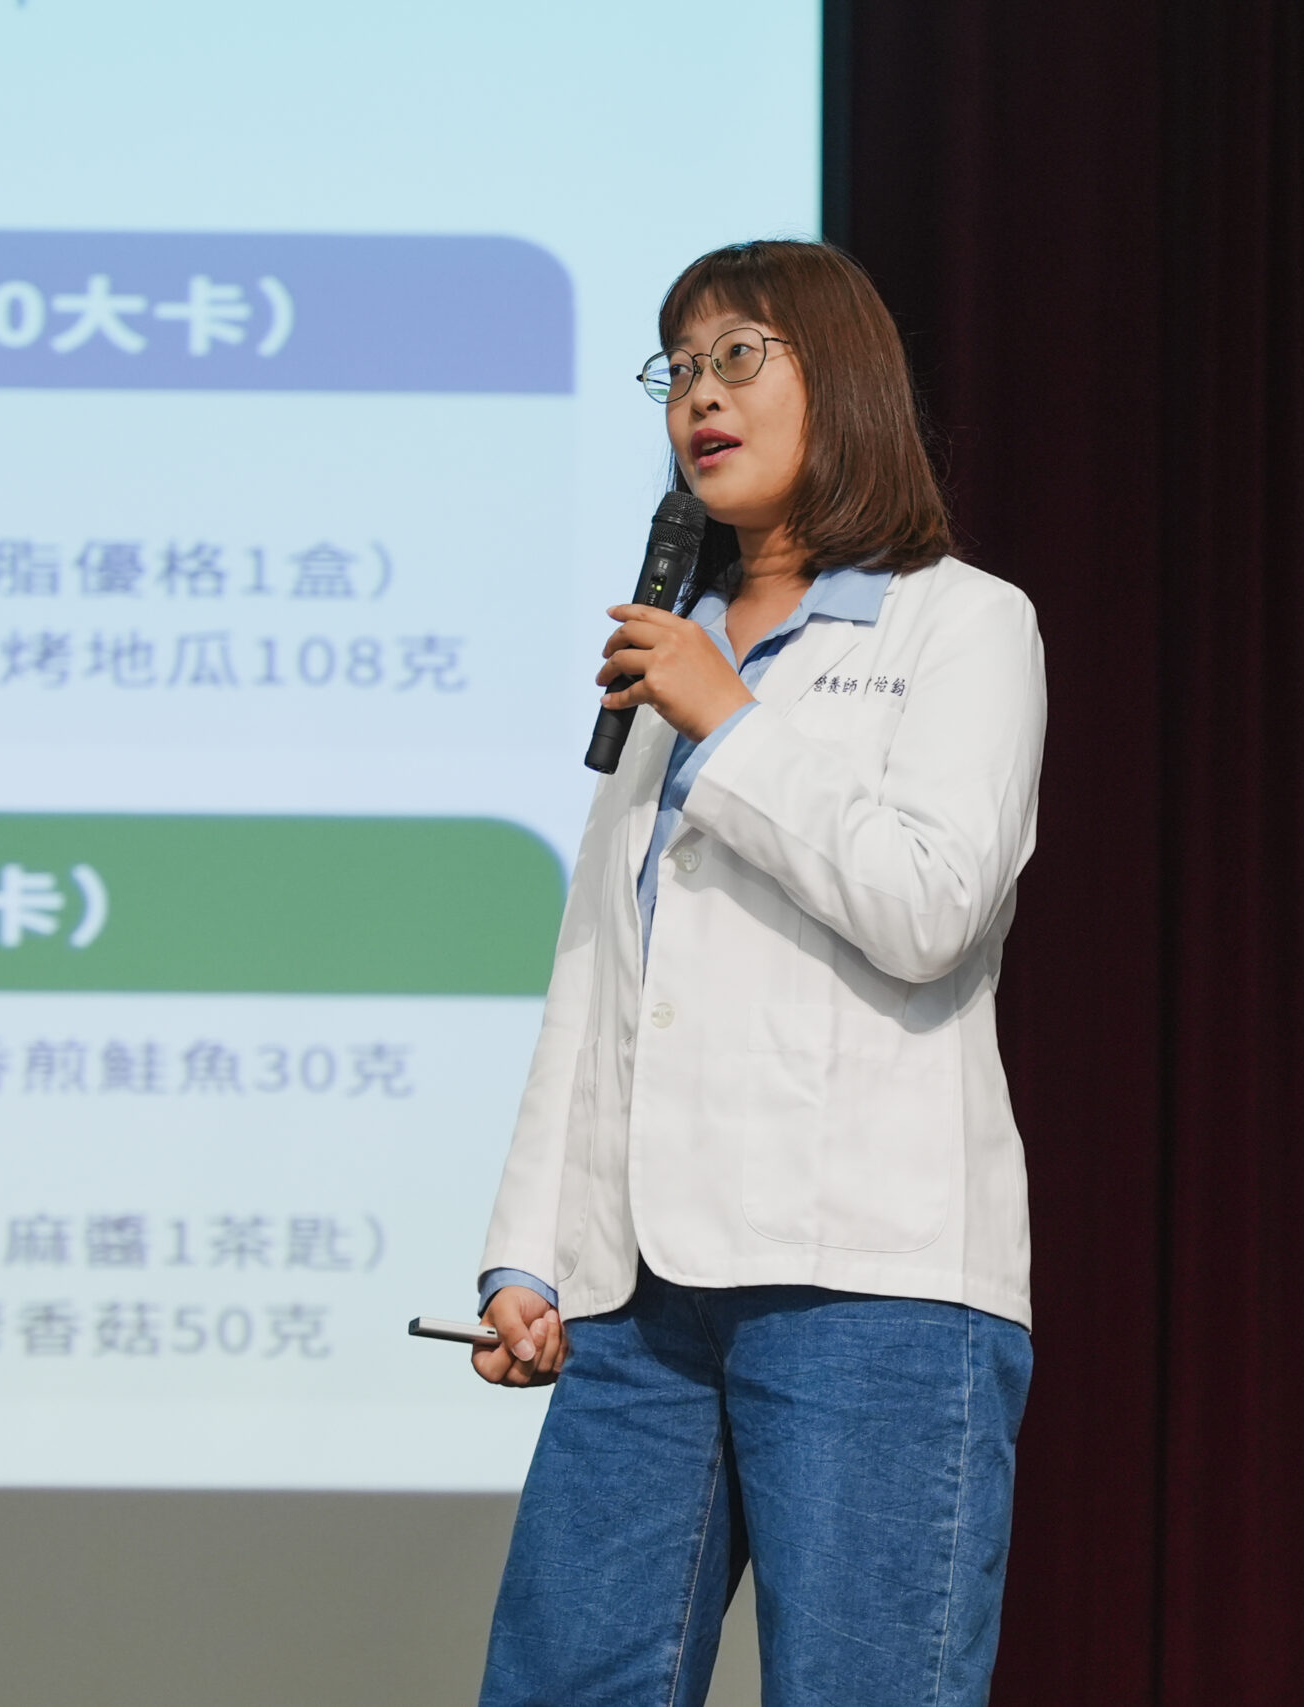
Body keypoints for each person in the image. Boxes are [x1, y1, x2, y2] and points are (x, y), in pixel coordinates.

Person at [470, 239, 1046, 1707]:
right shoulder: (677, 659)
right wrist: (530, 1250)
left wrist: (732, 723)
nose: (699, 399)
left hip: (870, 1284)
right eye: (679, 370)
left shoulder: (962, 621)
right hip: (640, 1299)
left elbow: (931, 906)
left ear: (839, 382)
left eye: (738, 358)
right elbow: (598, 983)